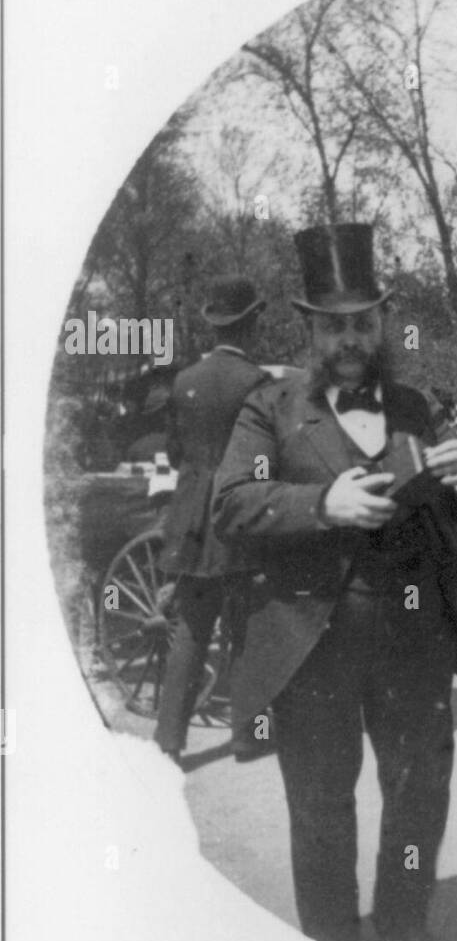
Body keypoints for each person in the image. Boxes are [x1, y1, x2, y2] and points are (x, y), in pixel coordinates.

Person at [212, 223, 457, 941]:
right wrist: (321, 504)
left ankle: (402, 922)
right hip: (313, 644)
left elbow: (453, 496)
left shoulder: (413, 403)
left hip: (414, 636)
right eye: (333, 324)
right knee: (320, 805)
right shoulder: (268, 408)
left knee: (417, 791)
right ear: (308, 327)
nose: (349, 338)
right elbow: (232, 503)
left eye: (362, 322)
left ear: (380, 323)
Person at [153, 277, 267, 763]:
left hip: (192, 523)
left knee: (192, 631)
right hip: (237, 518)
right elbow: (265, 461)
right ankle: (246, 738)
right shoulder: (258, 384)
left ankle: (169, 742)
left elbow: (175, 453)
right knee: (242, 630)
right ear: (251, 324)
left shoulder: (183, 382)